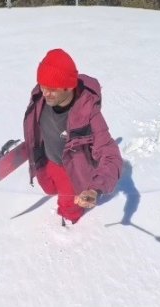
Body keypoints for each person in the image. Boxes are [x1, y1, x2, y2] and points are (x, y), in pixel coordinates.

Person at [15, 48, 123, 225]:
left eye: (52, 89)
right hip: (47, 159)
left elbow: (110, 155)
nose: (45, 93)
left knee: (69, 207)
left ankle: (71, 223)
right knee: (48, 188)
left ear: (69, 86)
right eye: (42, 86)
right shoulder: (40, 97)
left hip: (72, 169)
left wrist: (95, 189)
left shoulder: (89, 114)